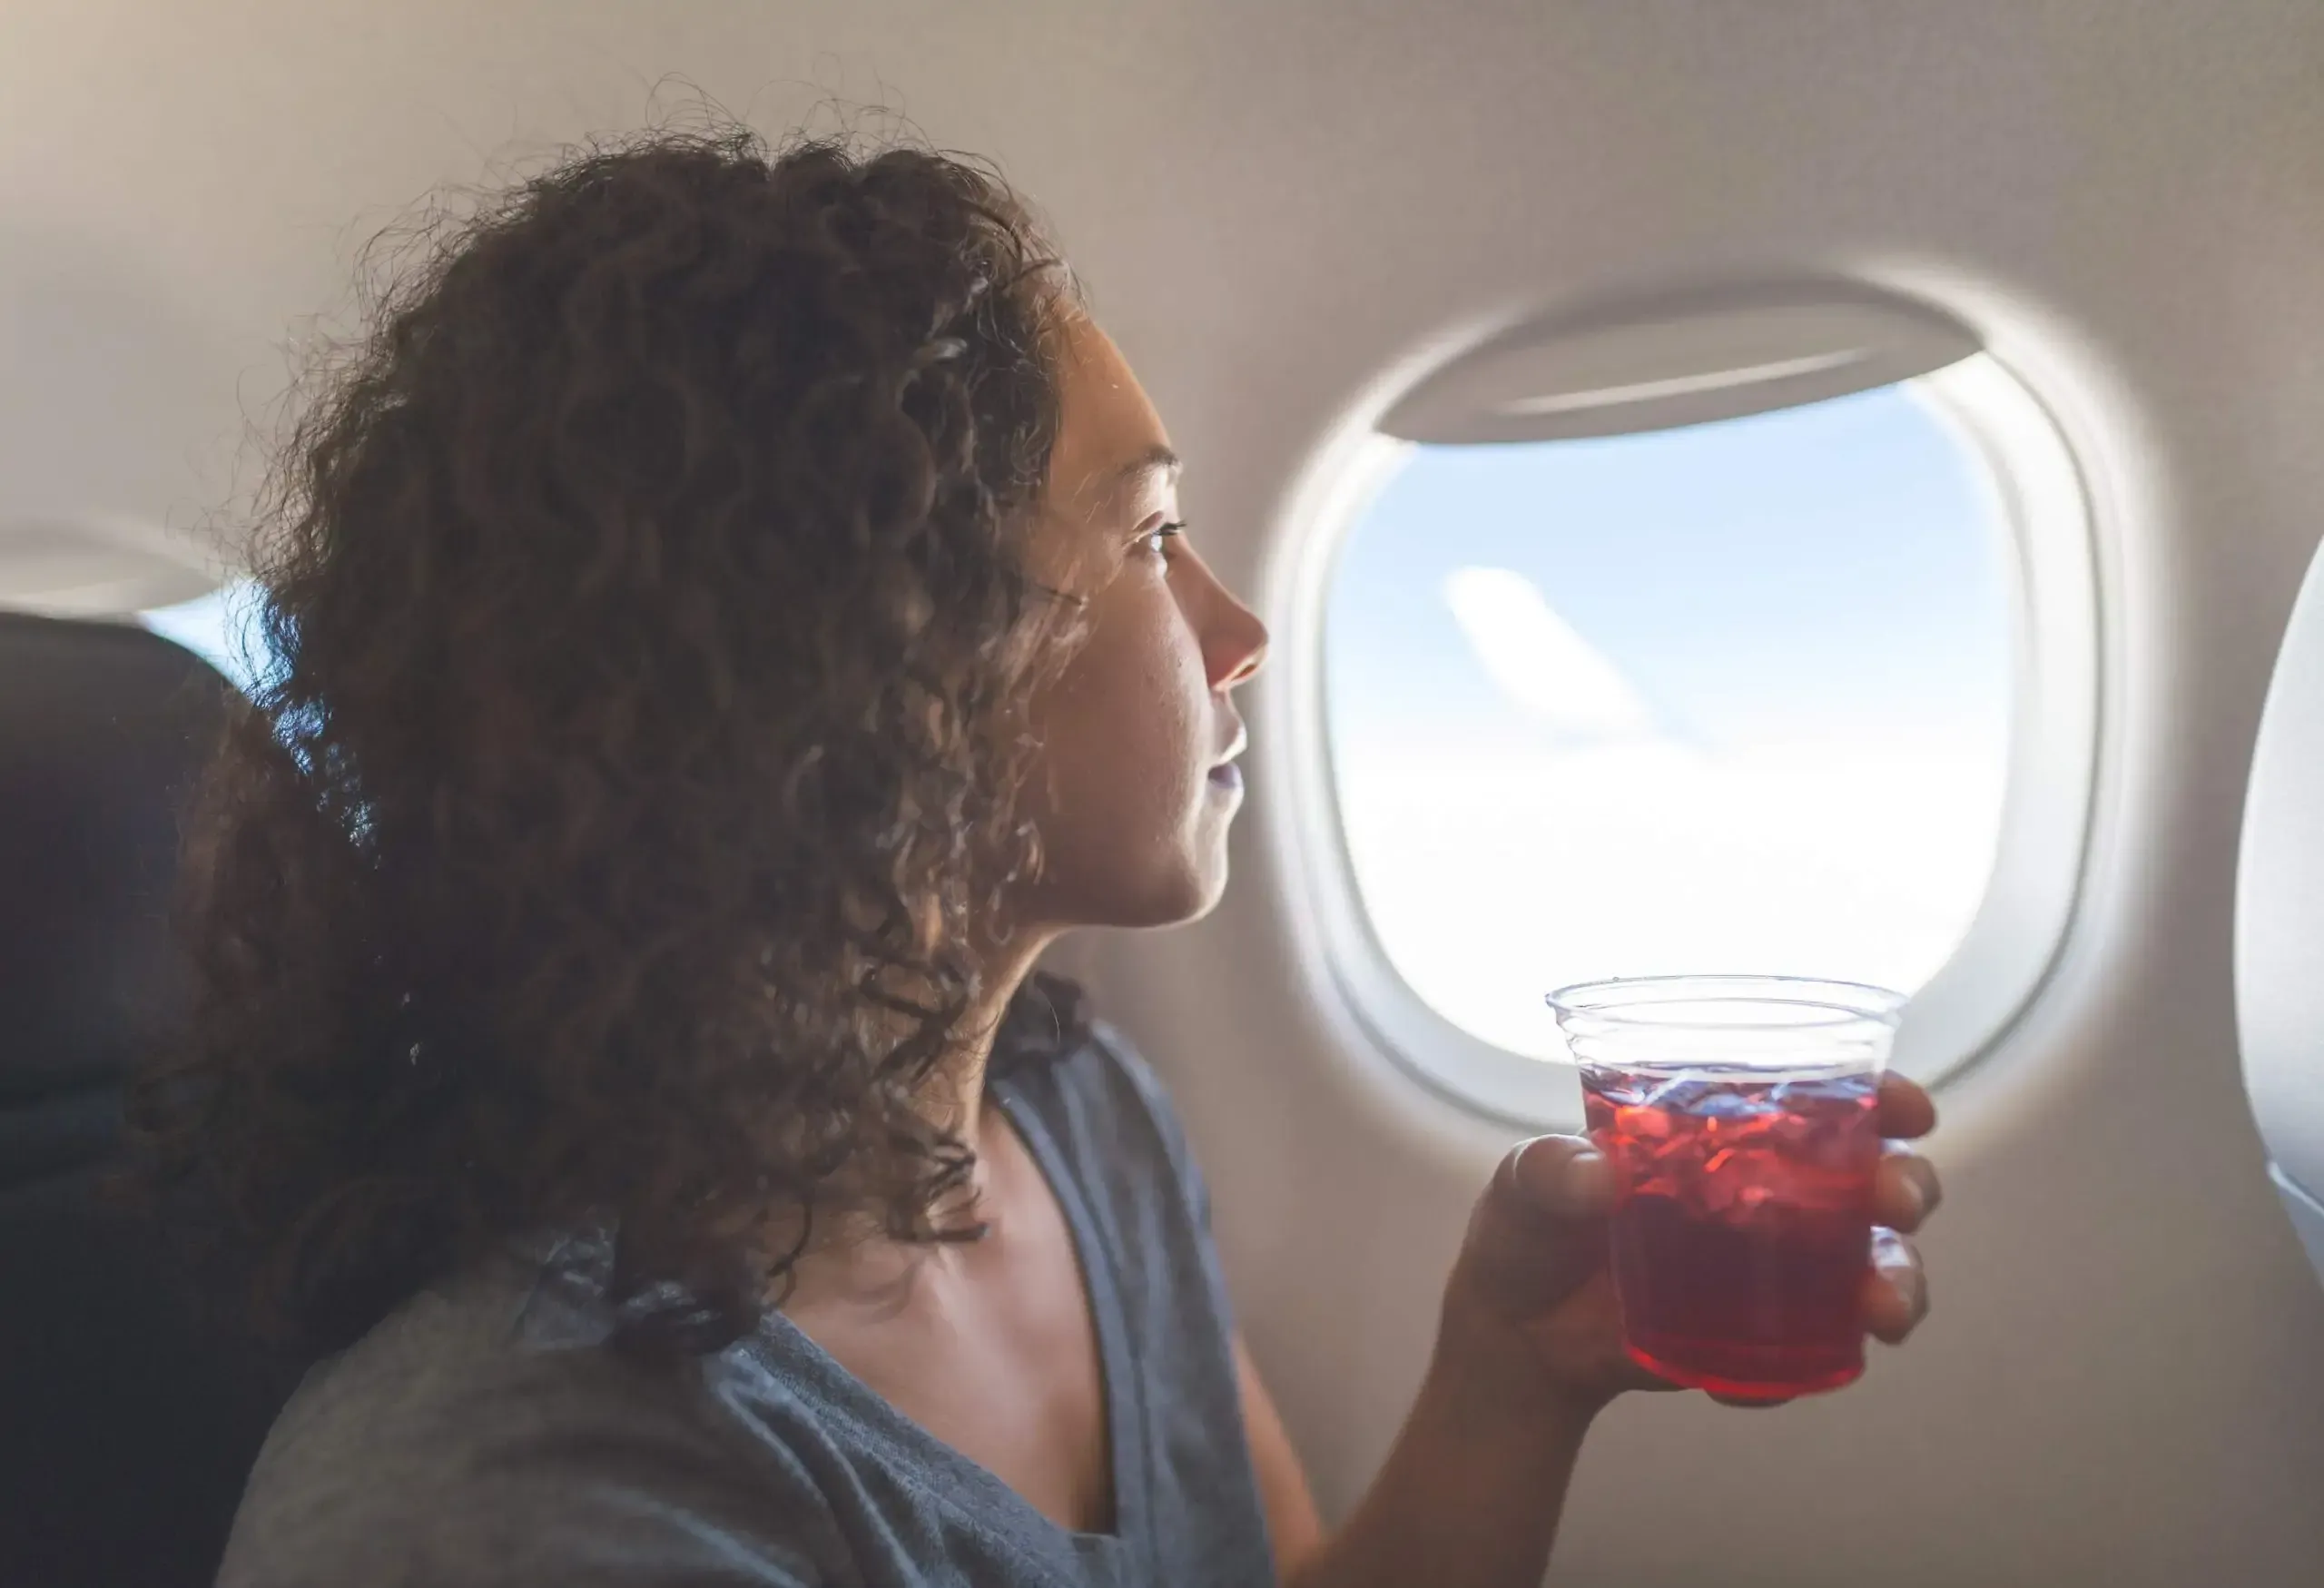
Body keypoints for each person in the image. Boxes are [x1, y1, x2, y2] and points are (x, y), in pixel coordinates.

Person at [135, 124, 1940, 1588]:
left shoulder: (1078, 1128)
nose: (1233, 629)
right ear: (883, 662)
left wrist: (1510, 1376)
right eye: (1152, 536)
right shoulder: (516, 1503)